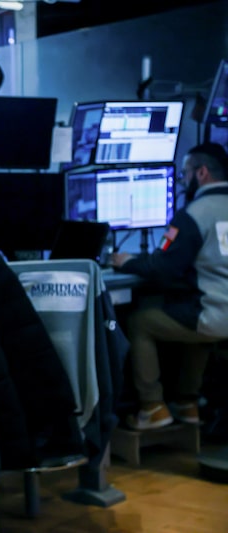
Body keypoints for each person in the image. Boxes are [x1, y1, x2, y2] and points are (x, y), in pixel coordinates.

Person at [111, 142, 228, 430]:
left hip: (216, 316)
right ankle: (187, 402)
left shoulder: (193, 215)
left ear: (201, 173)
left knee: (140, 321)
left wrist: (126, 261)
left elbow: (162, 268)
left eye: (185, 173)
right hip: (219, 312)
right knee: (187, 313)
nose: (183, 181)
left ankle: (152, 407)